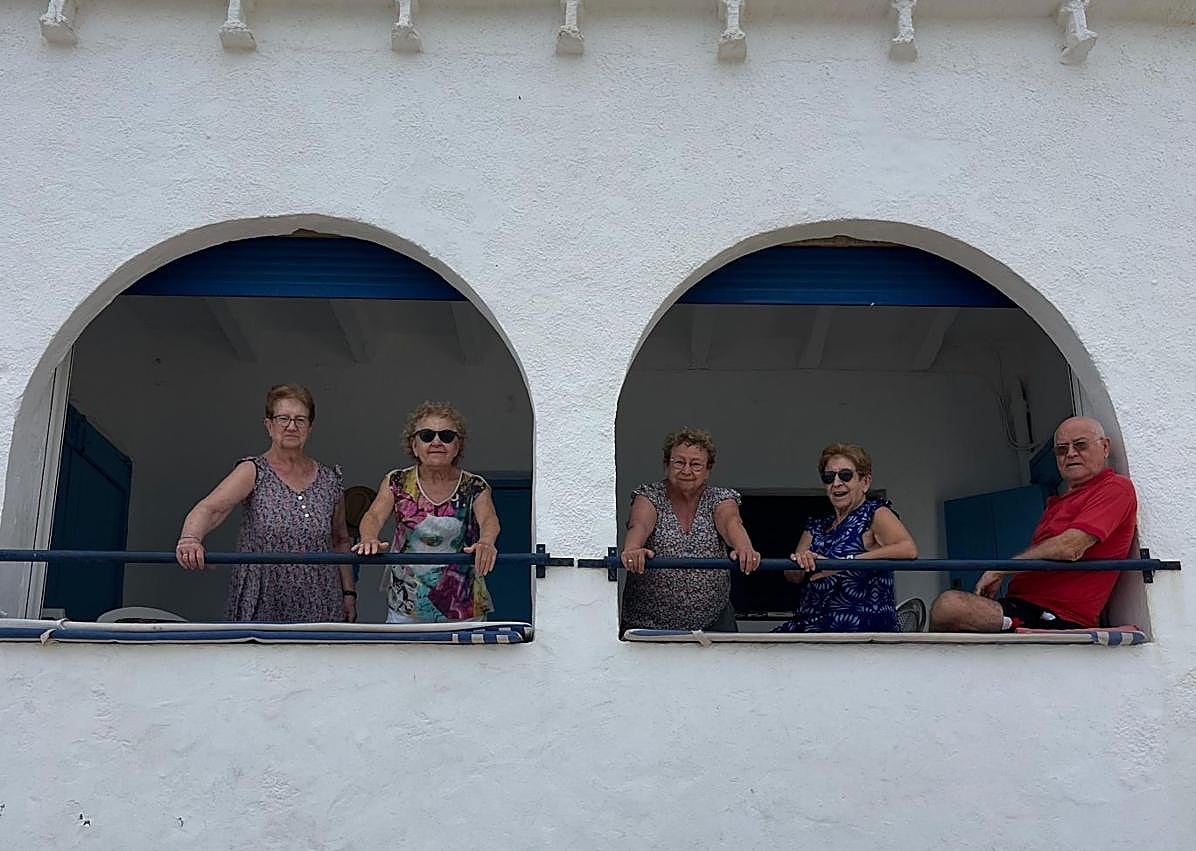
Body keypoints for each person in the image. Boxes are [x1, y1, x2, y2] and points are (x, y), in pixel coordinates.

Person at [930, 416, 1138, 631]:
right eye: (1061, 449)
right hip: (1024, 605)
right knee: (948, 621)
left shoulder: (1114, 488)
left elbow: (1070, 547)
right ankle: (1007, 624)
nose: (1071, 454)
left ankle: (1011, 625)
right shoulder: (1059, 502)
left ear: (1105, 447)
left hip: (1057, 614)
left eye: (1080, 445)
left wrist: (1002, 569)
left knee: (948, 606)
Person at [176, 384, 355, 622]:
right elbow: (211, 508)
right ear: (269, 425)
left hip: (320, 599)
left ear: (310, 427)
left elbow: (340, 539)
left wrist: (349, 593)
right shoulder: (253, 470)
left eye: (300, 419)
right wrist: (190, 539)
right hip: (262, 597)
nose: (291, 426)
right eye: (283, 418)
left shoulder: (330, 480)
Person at [352, 402, 499, 623]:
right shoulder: (397, 481)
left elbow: (489, 519)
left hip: (462, 604)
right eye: (427, 435)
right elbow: (374, 515)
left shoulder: (475, 485)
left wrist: (486, 542)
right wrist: (369, 538)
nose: (437, 442)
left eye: (447, 436)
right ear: (414, 445)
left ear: (457, 446)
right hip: (407, 605)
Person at [620, 427, 761, 633]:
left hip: (713, 623)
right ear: (666, 466)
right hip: (648, 623)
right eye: (679, 462)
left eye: (696, 464)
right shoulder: (650, 495)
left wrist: (744, 548)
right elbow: (639, 524)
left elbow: (731, 522)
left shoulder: (719, 498)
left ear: (707, 470)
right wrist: (633, 548)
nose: (686, 471)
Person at [774, 442, 917, 632]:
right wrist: (800, 561)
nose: (836, 483)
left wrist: (843, 562)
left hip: (860, 627)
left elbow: (908, 548)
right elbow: (793, 575)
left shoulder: (874, 513)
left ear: (865, 482)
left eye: (845, 475)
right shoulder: (817, 525)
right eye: (828, 477)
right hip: (811, 624)